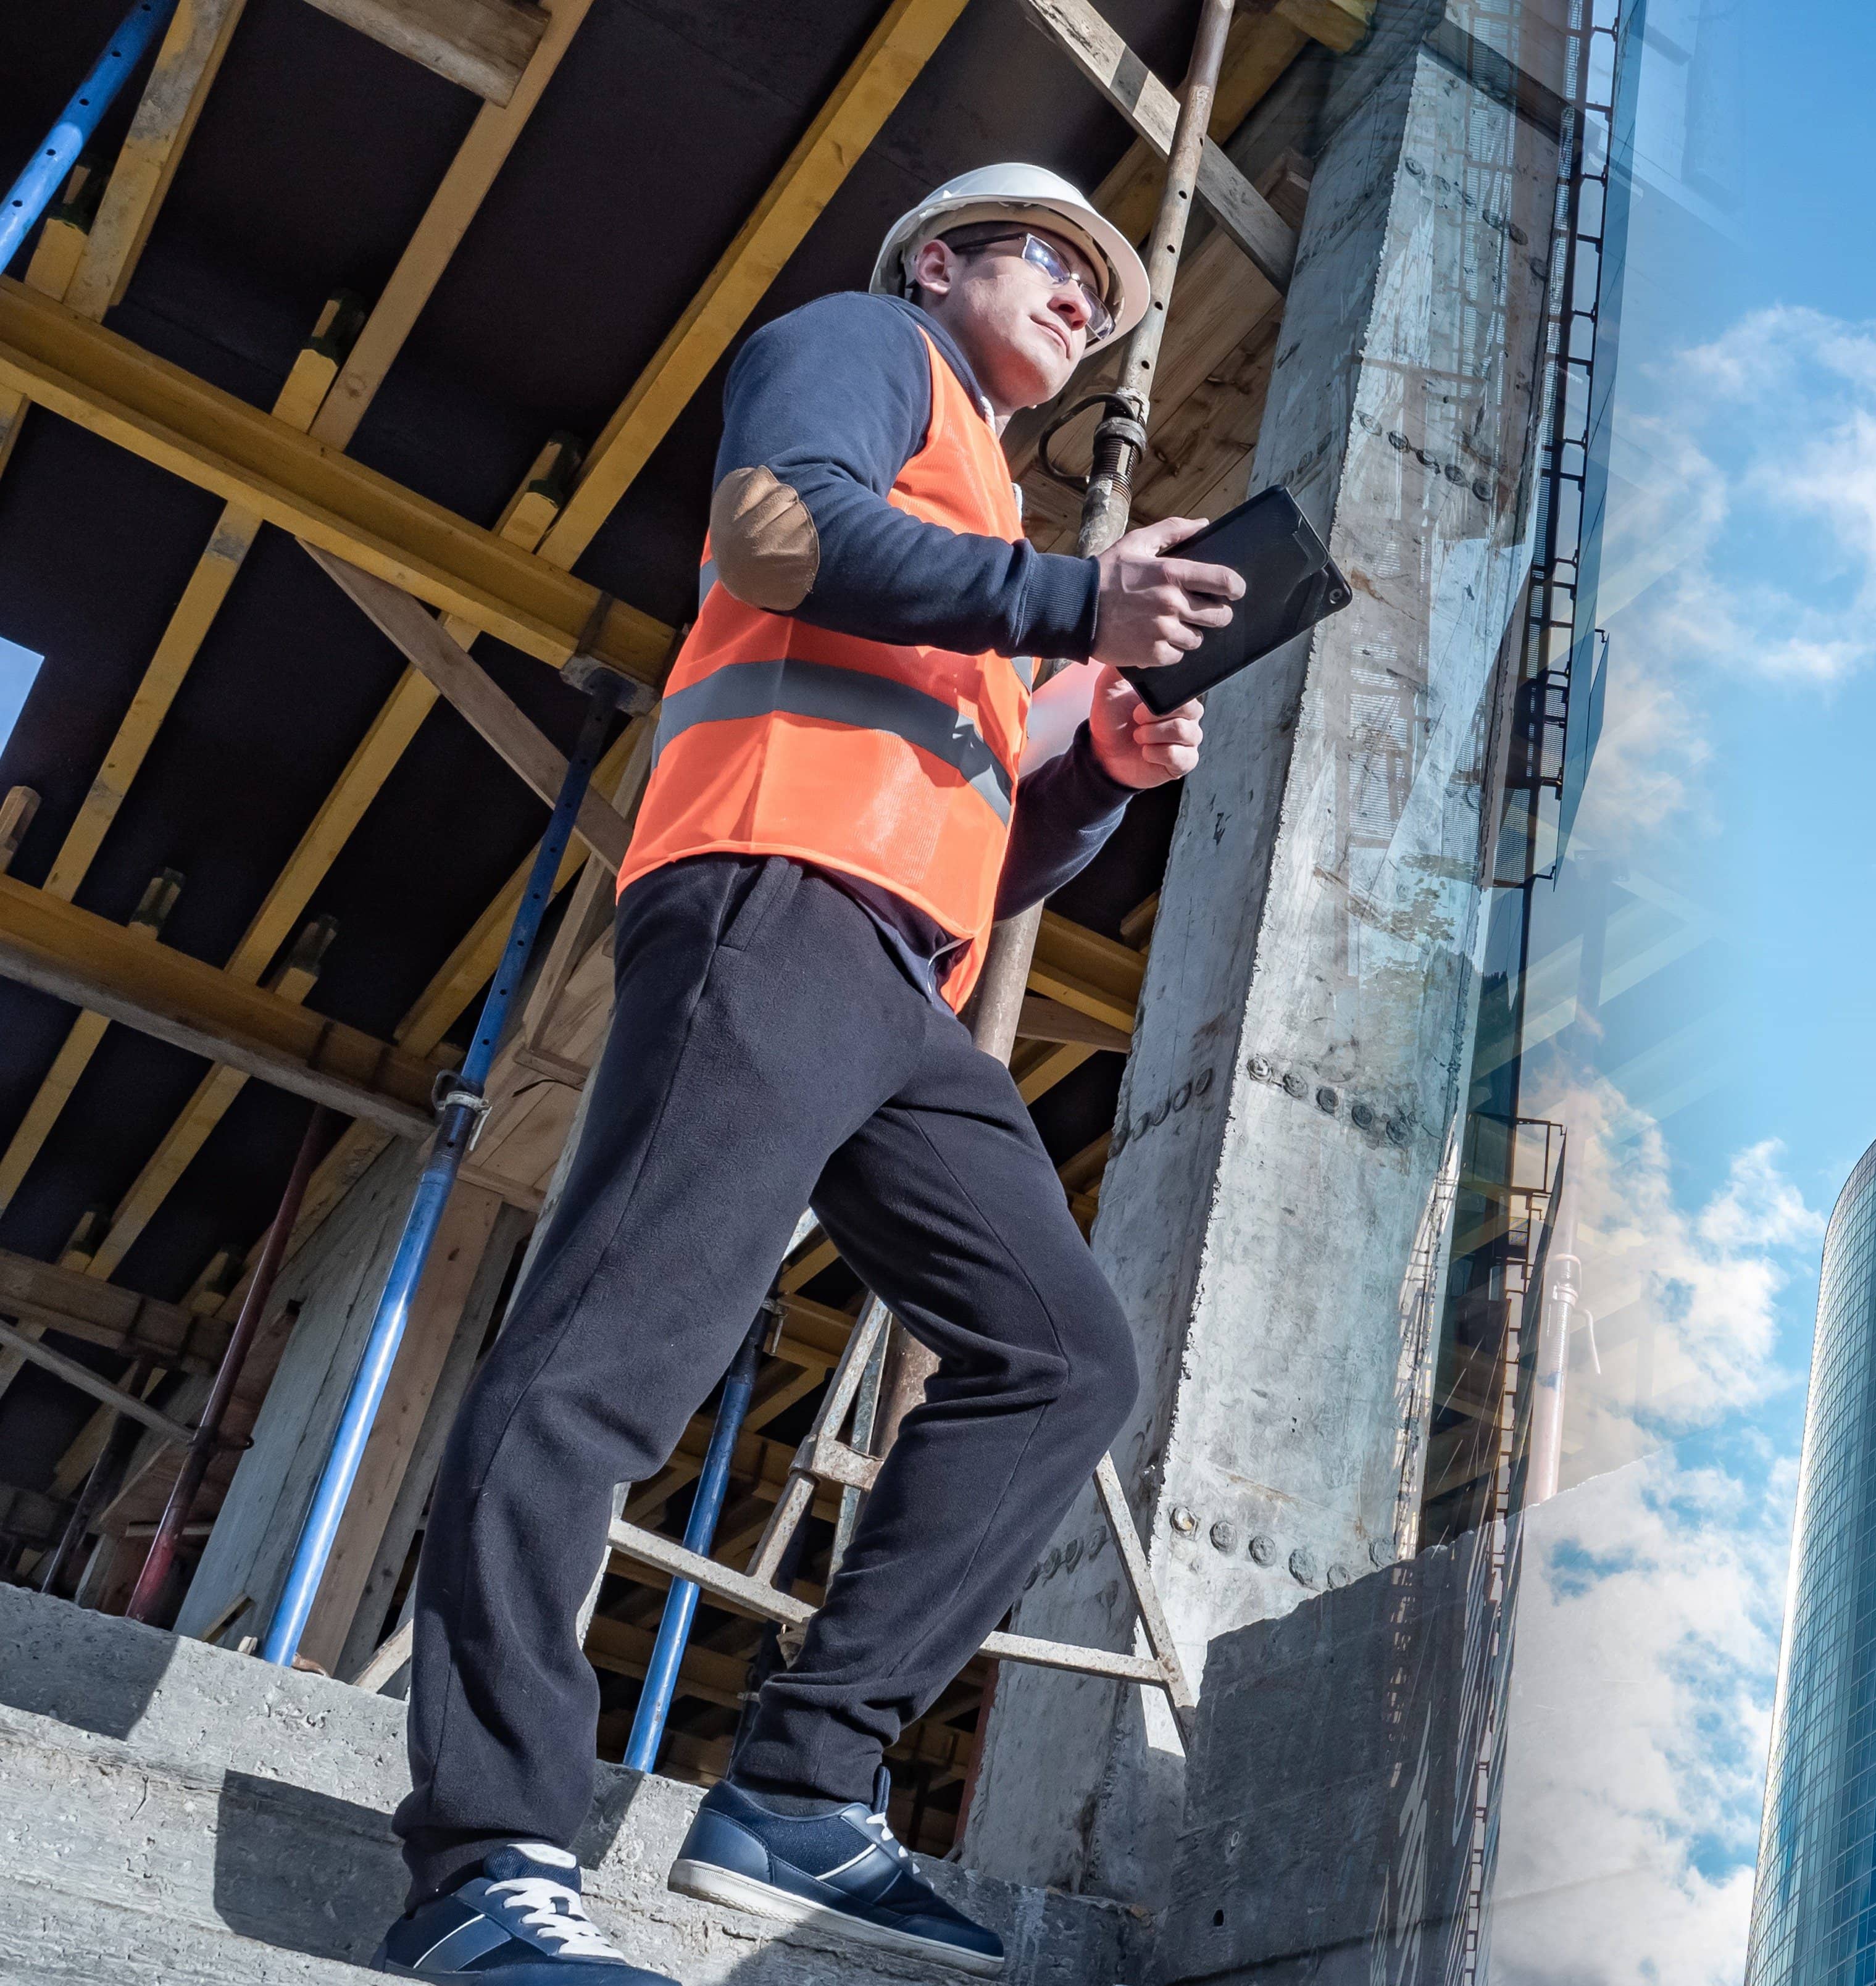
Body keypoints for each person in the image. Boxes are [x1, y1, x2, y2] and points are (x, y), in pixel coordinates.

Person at [376, 164, 1248, 1984]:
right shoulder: (866, 348)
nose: (1088, 302)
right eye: (1054, 261)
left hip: (892, 969)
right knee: (608, 1362)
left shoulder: (988, 524)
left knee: (1062, 1353)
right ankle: (486, 1855)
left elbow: (987, 855)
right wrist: (1076, 599)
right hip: (772, 884)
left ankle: (794, 1791)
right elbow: (776, 534)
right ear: (944, 261)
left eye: (1106, 289)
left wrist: (1099, 768)